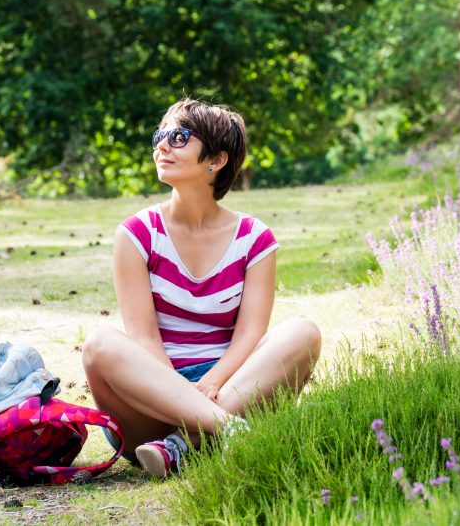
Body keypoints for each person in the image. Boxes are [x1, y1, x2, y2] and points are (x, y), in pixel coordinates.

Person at [82, 98, 321, 478]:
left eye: (179, 137)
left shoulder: (254, 239)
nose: (162, 146)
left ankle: (180, 446)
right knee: (98, 344)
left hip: (230, 386)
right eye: (160, 137)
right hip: (151, 398)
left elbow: (250, 334)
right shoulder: (136, 234)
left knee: (303, 332)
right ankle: (230, 429)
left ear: (217, 160)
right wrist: (180, 396)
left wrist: (211, 383)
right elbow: (144, 338)